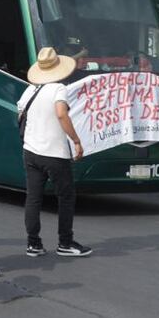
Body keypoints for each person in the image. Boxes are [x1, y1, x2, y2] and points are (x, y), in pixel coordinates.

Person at [20, 47, 91, 258]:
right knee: (66, 196)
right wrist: (76, 140)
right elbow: (61, 114)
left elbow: (20, 111)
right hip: (54, 152)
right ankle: (65, 242)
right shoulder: (59, 88)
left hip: (30, 150)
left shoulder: (31, 89)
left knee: (33, 198)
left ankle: (33, 243)